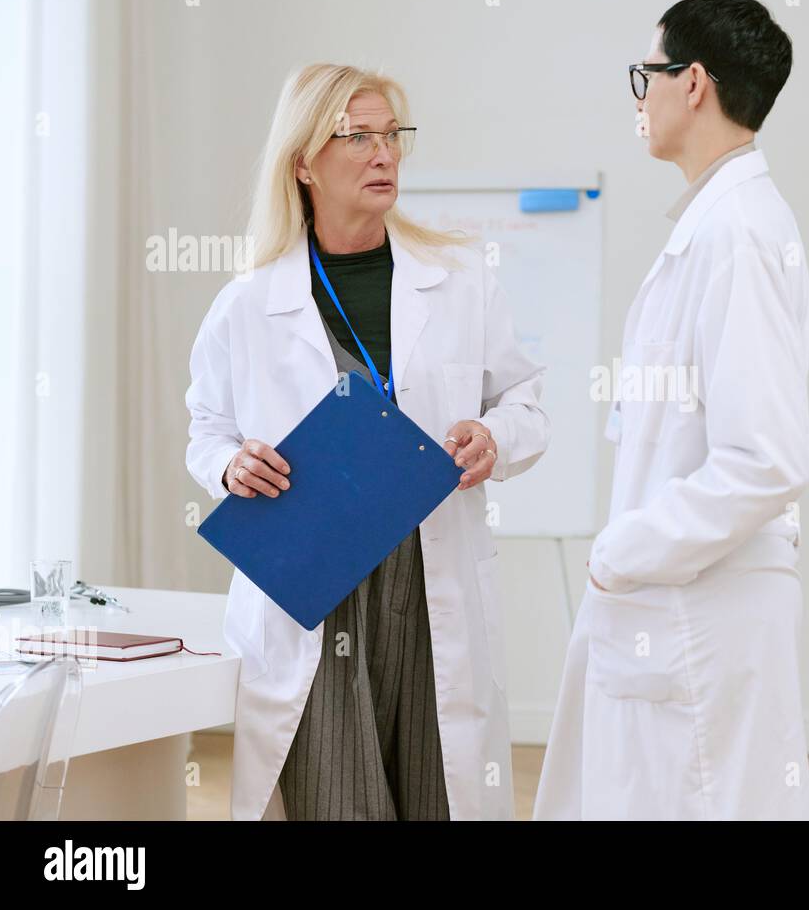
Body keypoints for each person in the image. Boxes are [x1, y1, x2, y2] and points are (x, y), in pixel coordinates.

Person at [185, 63, 550, 820]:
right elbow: (207, 429)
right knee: (335, 798)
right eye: (358, 137)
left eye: (392, 136)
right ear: (303, 161)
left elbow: (525, 401)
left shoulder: (457, 279)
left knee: (435, 790)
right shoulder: (249, 303)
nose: (384, 154)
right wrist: (228, 466)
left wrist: (496, 438)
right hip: (317, 581)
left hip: (428, 572)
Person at [534, 0, 809, 819]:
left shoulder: (738, 235)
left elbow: (767, 459)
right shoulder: (716, 226)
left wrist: (626, 549)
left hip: (700, 608)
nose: (639, 98)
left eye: (645, 76)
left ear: (692, 83)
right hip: (682, 608)